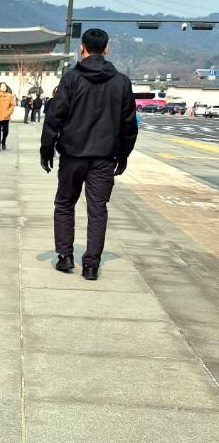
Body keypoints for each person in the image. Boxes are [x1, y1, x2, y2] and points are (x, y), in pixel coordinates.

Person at [40, 27, 138, 281]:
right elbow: (129, 123)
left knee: (64, 204)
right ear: (106, 49)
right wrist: (124, 154)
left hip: (73, 154)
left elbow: (55, 116)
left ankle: (65, 257)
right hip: (105, 157)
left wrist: (47, 148)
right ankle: (92, 265)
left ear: (81, 48)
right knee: (98, 210)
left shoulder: (71, 78)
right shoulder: (122, 82)